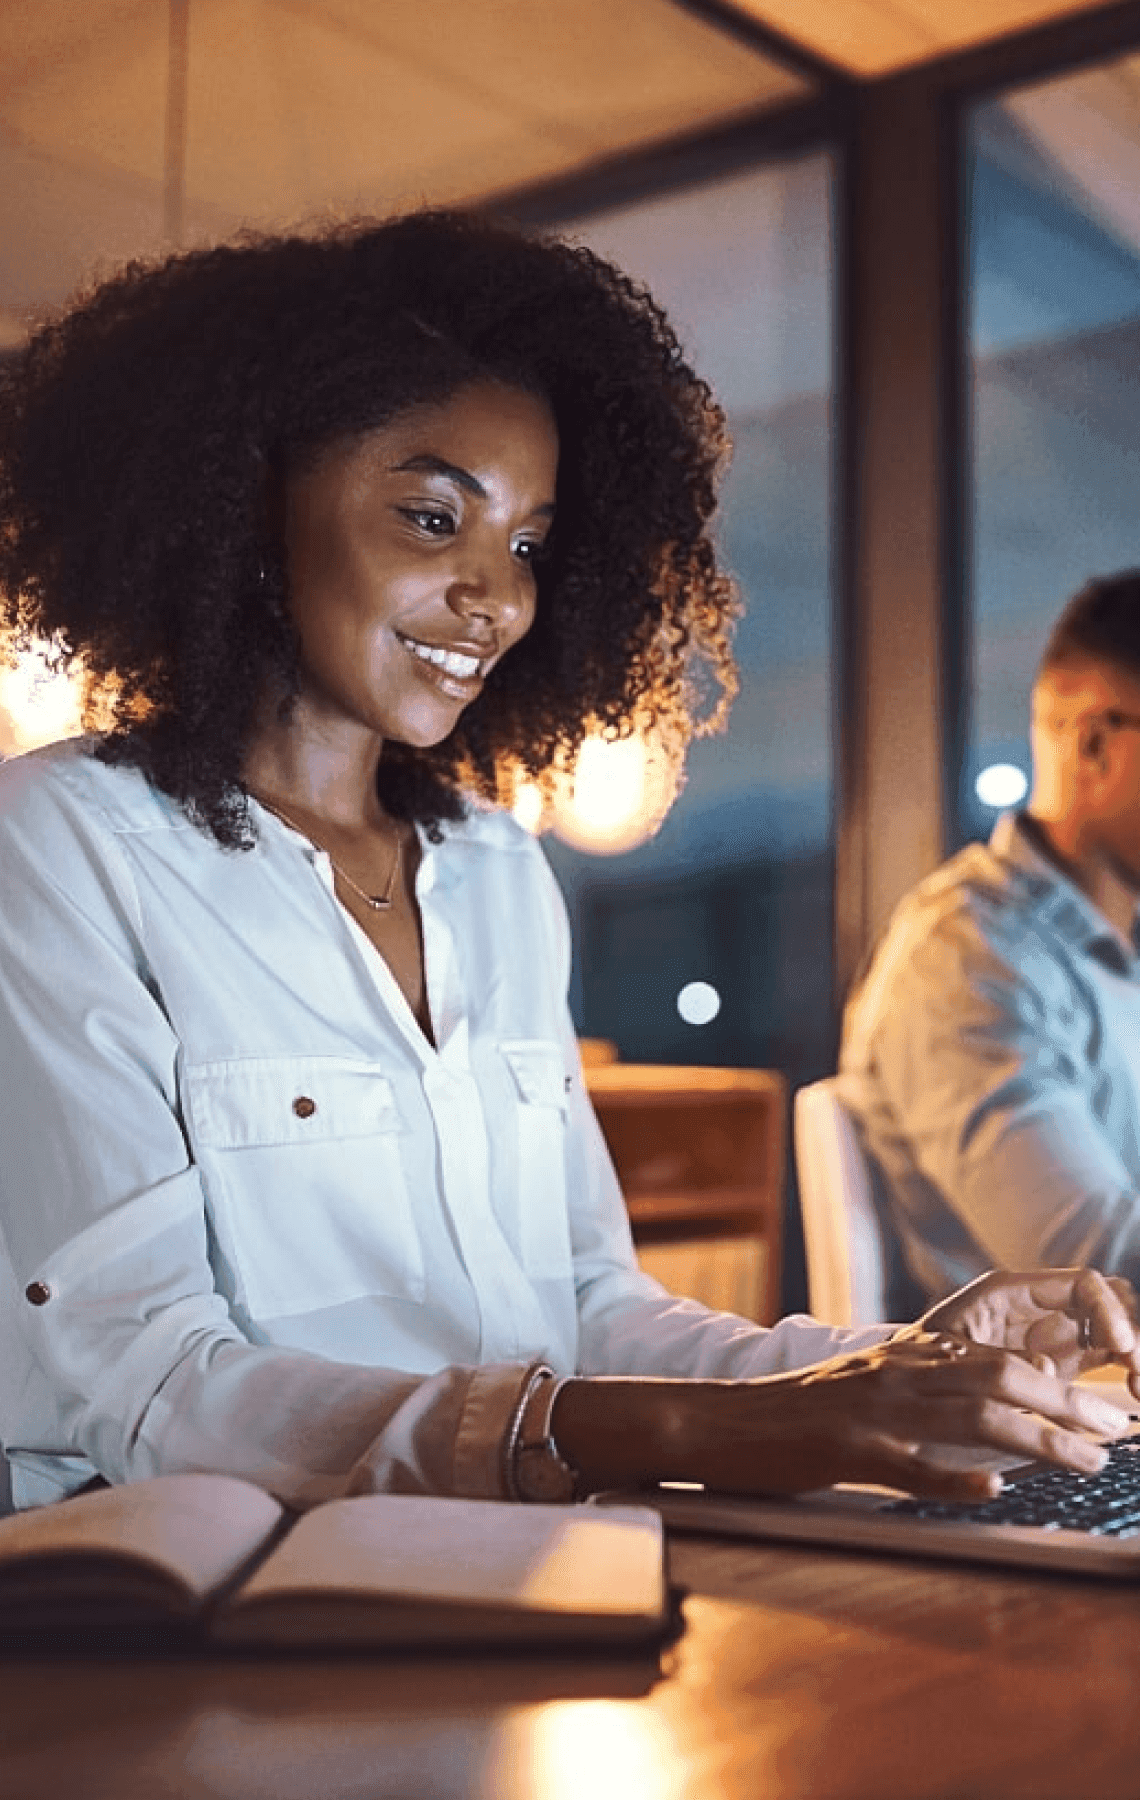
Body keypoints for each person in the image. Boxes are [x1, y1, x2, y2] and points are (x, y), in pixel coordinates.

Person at [0, 214, 1134, 1519]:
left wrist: (901, 1368)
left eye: (529, 544)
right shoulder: (60, 846)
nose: (499, 597)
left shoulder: (492, 874)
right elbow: (148, 1388)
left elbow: (594, 1310)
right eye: (435, 518)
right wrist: (708, 1432)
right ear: (245, 503)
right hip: (209, 1621)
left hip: (531, 1571)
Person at [842, 572, 1140, 1311]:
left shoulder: (1111, 959)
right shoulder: (966, 960)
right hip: (1041, 1409)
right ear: (1098, 744)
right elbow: (1098, 1271)